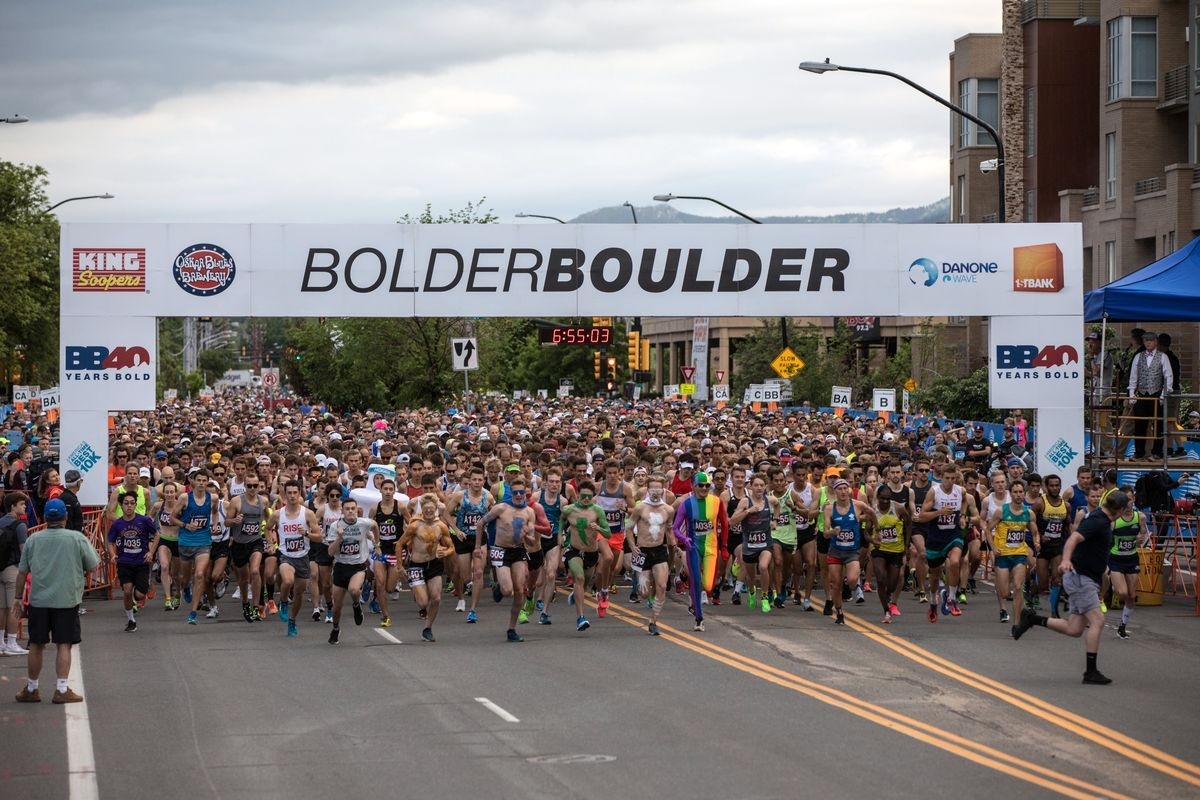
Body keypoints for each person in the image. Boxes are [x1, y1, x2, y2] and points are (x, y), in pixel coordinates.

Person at [1013, 490, 1130, 685]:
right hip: (1080, 578)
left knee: (1074, 629)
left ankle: (1032, 619)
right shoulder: (1098, 520)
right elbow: (1074, 539)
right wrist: (1066, 560)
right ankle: (1090, 672)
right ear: (1119, 509)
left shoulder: (1103, 519)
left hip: (1085, 578)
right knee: (1098, 621)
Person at [14, 499, 99, 703]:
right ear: (65, 517)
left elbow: (22, 571)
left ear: (44, 518)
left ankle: (32, 688)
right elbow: (94, 565)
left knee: (36, 643)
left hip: (39, 600)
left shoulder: (34, 539)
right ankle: (61, 689)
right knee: (64, 643)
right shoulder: (76, 538)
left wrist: (17, 598)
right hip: (66, 599)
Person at [627, 473, 677, 635]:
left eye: (658, 489)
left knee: (662, 586)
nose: (656, 492)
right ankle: (647, 596)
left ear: (663, 490)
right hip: (643, 551)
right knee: (644, 592)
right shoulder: (640, 508)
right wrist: (632, 546)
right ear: (647, 490)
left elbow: (669, 529)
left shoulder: (668, 510)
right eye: (653, 489)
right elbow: (628, 528)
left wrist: (674, 544)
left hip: (659, 550)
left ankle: (653, 621)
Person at [327, 498, 380, 644]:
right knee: (336, 608)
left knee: (354, 590)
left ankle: (356, 605)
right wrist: (339, 538)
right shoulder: (335, 526)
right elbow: (330, 553)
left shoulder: (363, 523)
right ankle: (336, 628)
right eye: (347, 509)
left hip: (357, 565)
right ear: (342, 511)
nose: (350, 511)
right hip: (340, 567)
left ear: (357, 510)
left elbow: (375, 526)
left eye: (353, 508)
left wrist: (377, 544)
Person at [107, 492, 160, 632]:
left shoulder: (144, 520)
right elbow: (110, 541)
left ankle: (146, 587)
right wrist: (113, 555)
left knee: (140, 595)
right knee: (127, 590)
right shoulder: (117, 524)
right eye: (126, 503)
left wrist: (151, 552)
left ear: (136, 505)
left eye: (132, 503)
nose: (129, 506)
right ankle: (131, 620)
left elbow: (157, 534)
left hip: (141, 562)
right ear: (121, 505)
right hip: (124, 562)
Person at [1107, 498, 1150, 640]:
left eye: (1130, 502)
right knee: (1122, 594)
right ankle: (1115, 587)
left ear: (1134, 501)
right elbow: (1106, 540)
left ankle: (1122, 627)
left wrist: (1140, 538)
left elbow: (1144, 535)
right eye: (1124, 503)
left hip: (1132, 559)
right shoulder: (1114, 520)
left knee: (1132, 596)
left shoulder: (1140, 517)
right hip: (1116, 559)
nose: (1127, 506)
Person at [1126, 331, 1172, 459]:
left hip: (1157, 394)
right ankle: (1139, 452)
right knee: (1139, 424)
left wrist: (1164, 395)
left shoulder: (1163, 356)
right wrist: (1131, 394)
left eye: (1151, 340)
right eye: (1146, 340)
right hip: (1141, 394)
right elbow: (1133, 376)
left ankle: (1157, 452)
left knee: (1158, 425)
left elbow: (1168, 377)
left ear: (1156, 342)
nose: (1148, 343)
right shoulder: (1138, 356)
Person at [0, 493, 30, 655]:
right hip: (13, 569)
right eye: (21, 504)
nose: (24, 507)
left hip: (0, 568)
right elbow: (23, 550)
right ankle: (11, 642)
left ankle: (1, 642)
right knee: (14, 607)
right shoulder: (19, 525)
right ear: (12, 506)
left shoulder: (0, 522)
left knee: (2, 608)